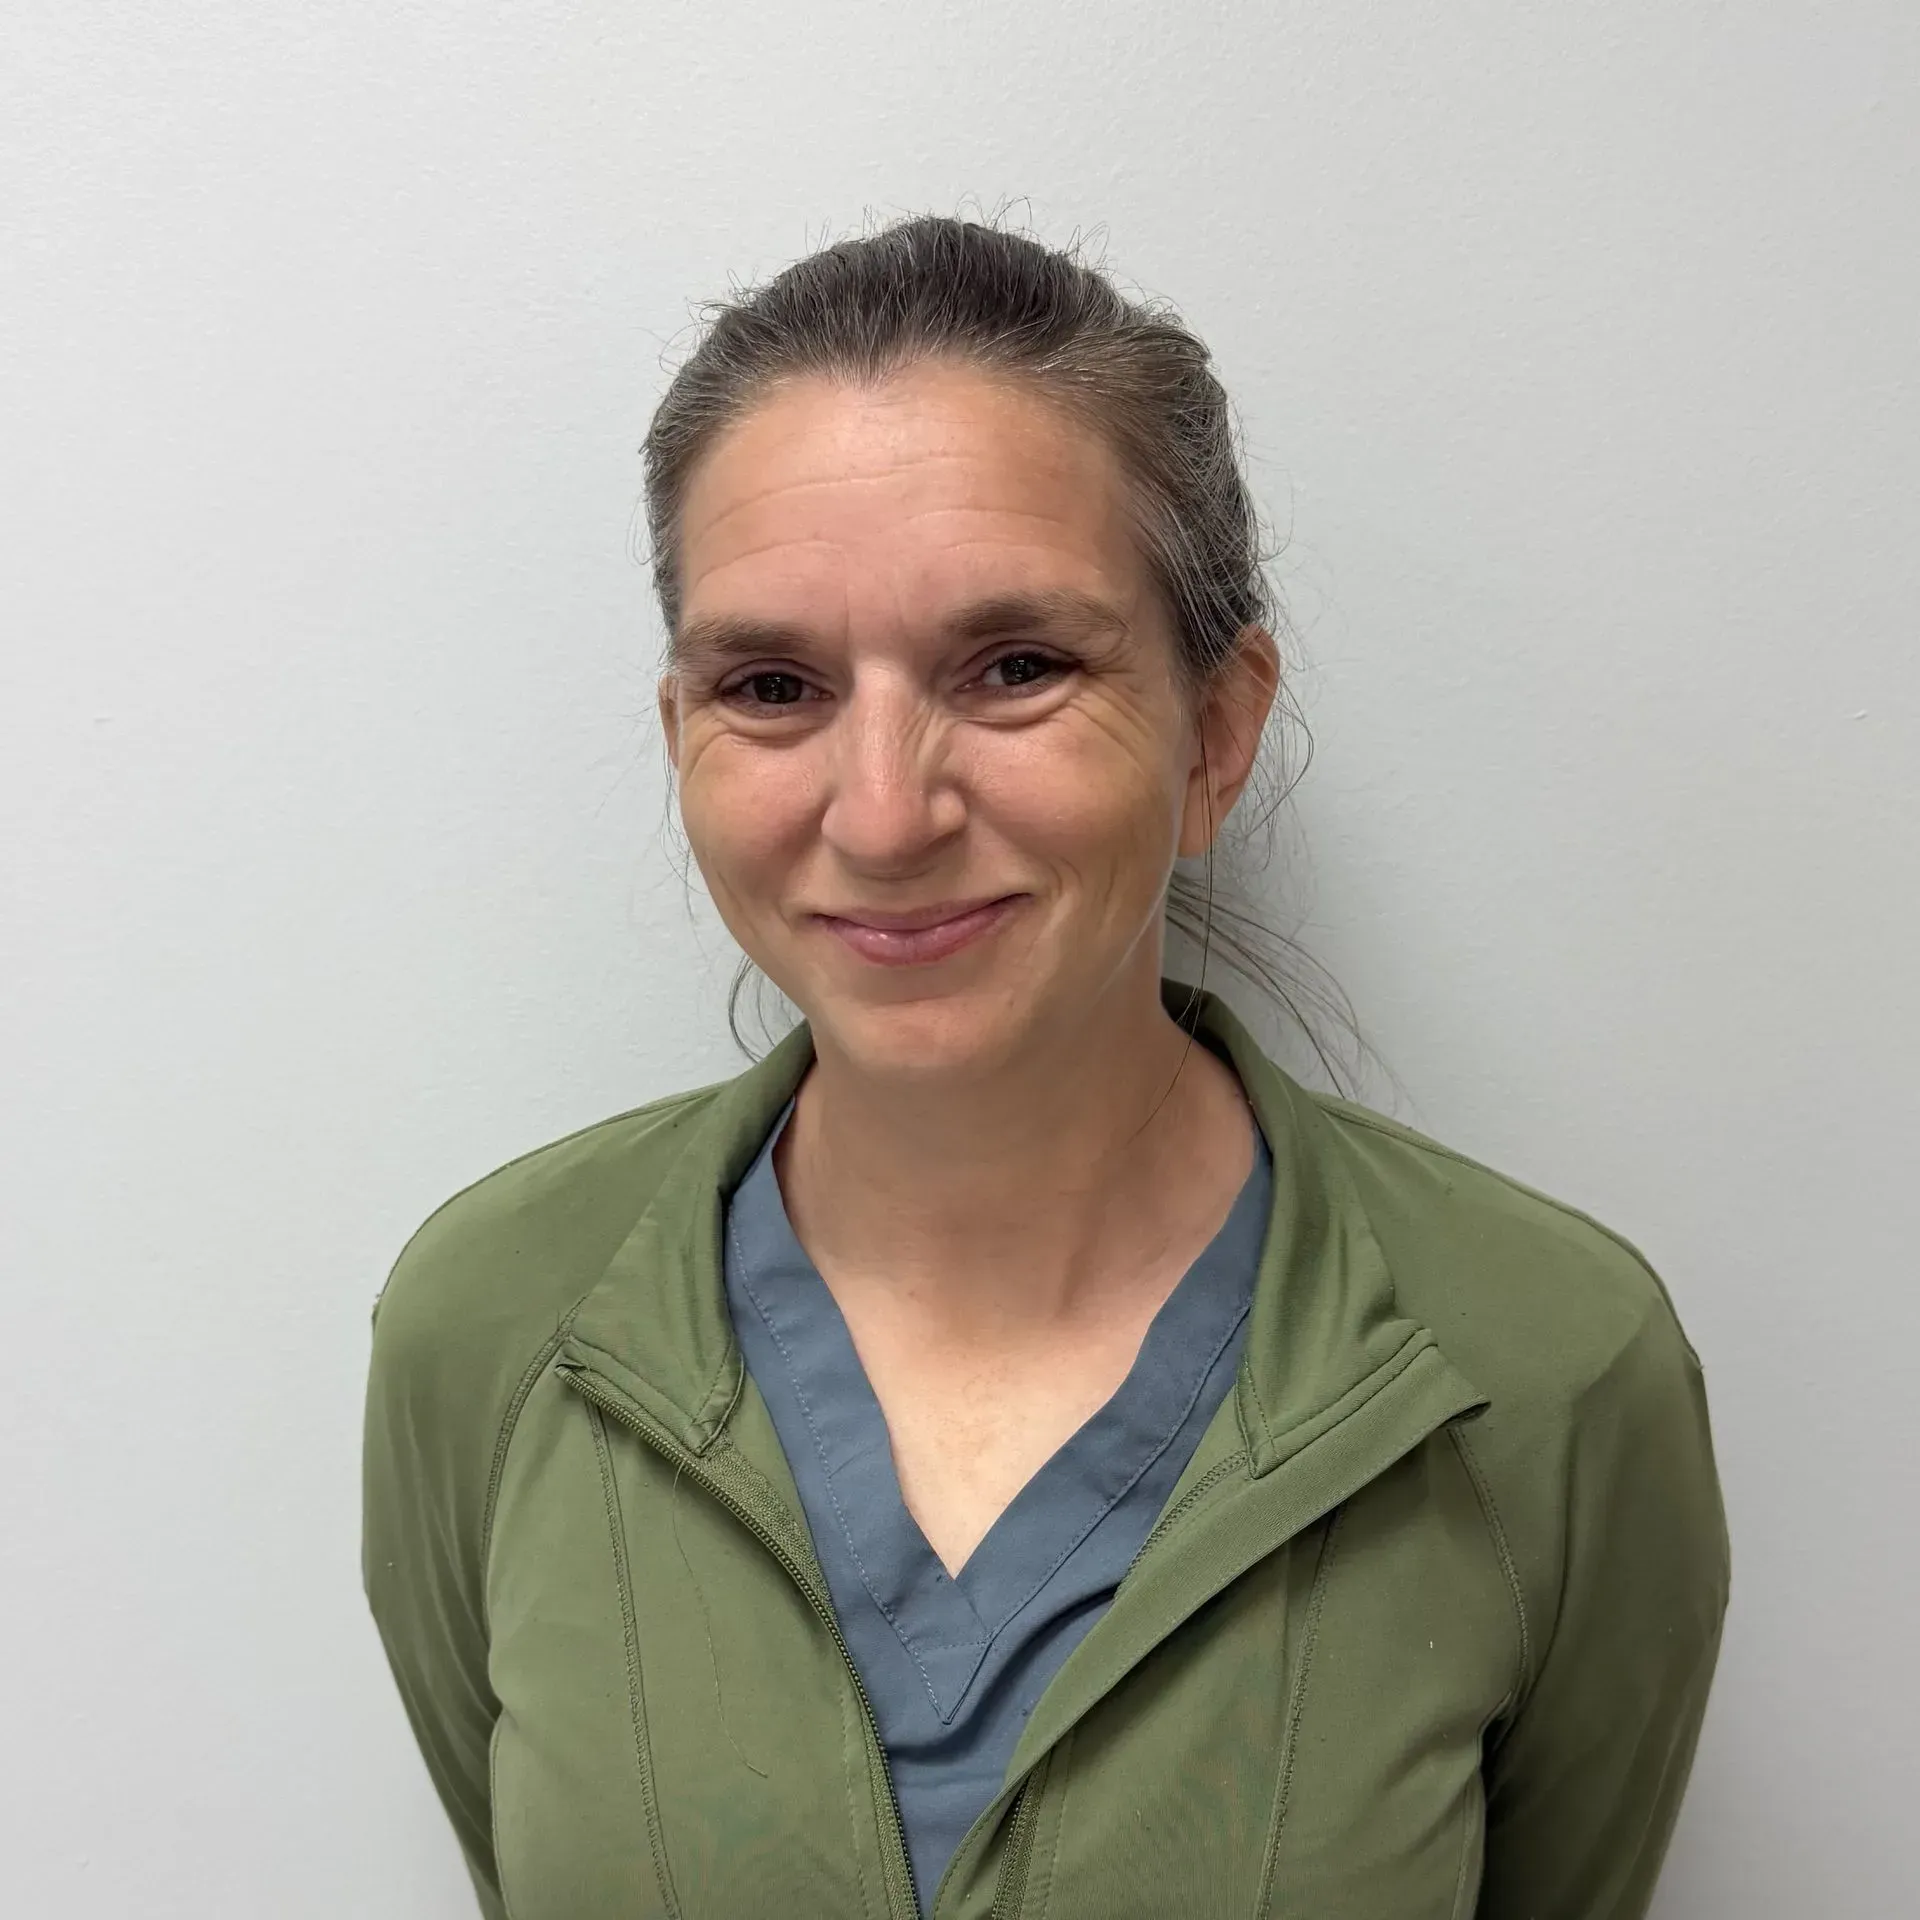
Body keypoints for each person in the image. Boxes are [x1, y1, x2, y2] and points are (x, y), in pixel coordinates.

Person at [361, 216, 1730, 1920]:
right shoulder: (493, 1333)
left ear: (1217, 729)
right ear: (681, 738)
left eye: (1015, 667)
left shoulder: (1545, 1373)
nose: (881, 811)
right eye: (771, 685)